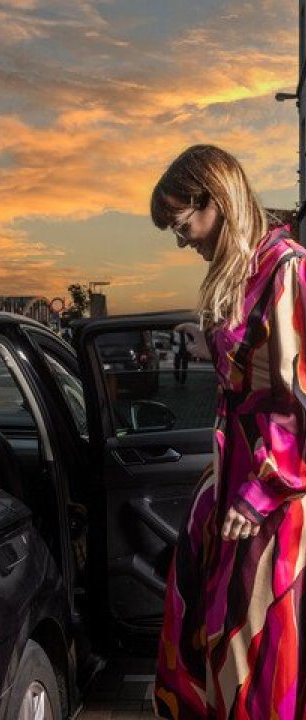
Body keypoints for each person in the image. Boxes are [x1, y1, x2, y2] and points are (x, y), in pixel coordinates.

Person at [149, 144, 306, 719]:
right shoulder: (249, 271)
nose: (180, 240)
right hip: (235, 491)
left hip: (272, 503)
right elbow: (257, 371)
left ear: (215, 200)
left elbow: (299, 400)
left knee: (252, 657)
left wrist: (261, 489)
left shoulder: (287, 268)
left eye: (180, 223)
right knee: (215, 644)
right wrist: (208, 346)